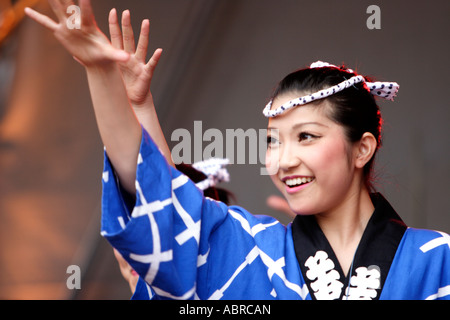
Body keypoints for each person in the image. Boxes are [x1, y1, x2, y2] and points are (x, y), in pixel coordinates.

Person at [25, 0, 450, 300]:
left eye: (306, 137)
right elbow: (168, 215)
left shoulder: (436, 261)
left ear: (362, 149)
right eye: (272, 141)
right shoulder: (251, 250)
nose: (282, 161)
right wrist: (105, 78)